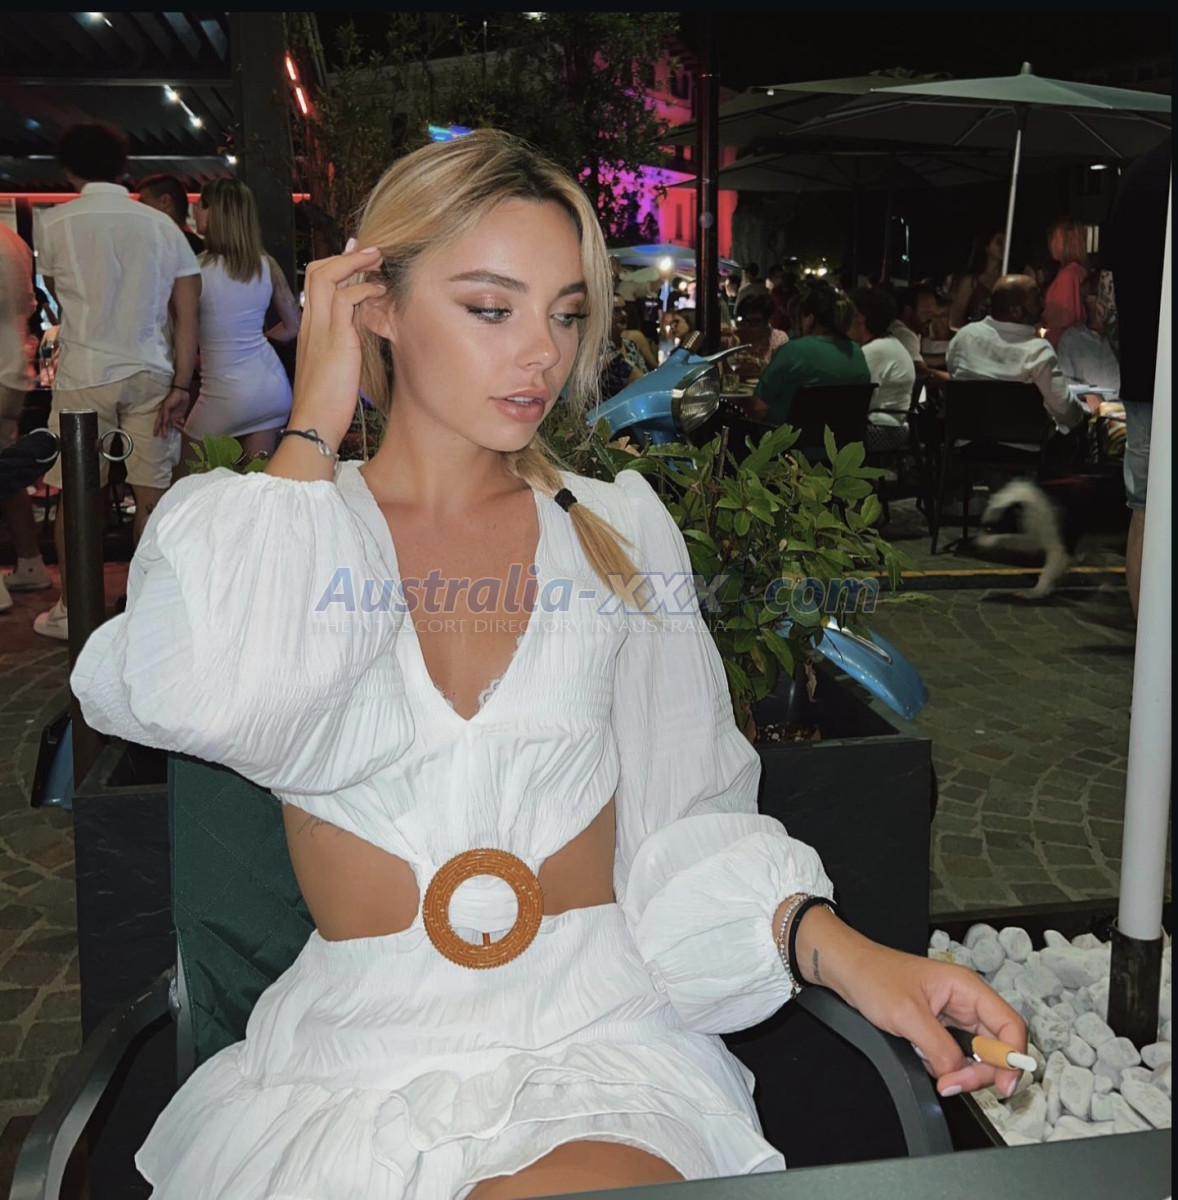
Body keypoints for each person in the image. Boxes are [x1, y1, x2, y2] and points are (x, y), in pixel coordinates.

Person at [71, 130, 1024, 1199]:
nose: (542, 353)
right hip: (355, 1062)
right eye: (492, 308)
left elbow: (683, 809)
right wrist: (313, 424)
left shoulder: (615, 531)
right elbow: (225, 697)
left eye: (565, 314)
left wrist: (844, 950)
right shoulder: (274, 534)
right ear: (374, 304)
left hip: (591, 1044)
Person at [31, 122, 200, 641]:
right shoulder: (161, 226)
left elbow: (59, 294)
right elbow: (188, 311)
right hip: (152, 371)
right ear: (122, 166)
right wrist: (183, 385)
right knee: (153, 491)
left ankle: (73, 609)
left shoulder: (54, 223)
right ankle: (151, 610)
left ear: (68, 170)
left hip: (84, 374)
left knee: (79, 492)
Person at [181, 178, 302, 461]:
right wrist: (256, 342)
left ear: (216, 213)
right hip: (270, 391)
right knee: (255, 482)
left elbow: (180, 333)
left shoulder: (195, 269)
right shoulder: (266, 264)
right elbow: (294, 325)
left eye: (200, 205)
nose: (195, 210)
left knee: (183, 476)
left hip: (223, 394)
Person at [1103, 138, 1170, 618]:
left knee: (1144, 506)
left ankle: (1146, 641)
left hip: (1144, 376)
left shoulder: (1139, 174)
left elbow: (1108, 298)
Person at [945, 274, 1095, 433]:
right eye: (1037, 299)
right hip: (1026, 446)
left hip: (967, 442)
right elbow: (1066, 412)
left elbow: (954, 376)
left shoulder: (964, 338)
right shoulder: (1038, 351)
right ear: (1015, 311)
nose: (1043, 303)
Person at [0, 223, 51, 613]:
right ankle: (31, 562)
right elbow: (30, 304)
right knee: (5, 471)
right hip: (13, 367)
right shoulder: (13, 241)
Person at [746, 282, 870, 427]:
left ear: (809, 318)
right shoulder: (856, 351)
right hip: (841, 440)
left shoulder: (793, 350)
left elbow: (758, 408)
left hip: (786, 438)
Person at [849, 287, 917, 452]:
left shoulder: (876, 350)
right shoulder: (889, 343)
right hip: (893, 425)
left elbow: (857, 399)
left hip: (882, 429)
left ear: (859, 318)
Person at [1040, 217, 1089, 349]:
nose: (1052, 244)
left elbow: (1062, 326)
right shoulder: (1078, 271)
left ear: (1070, 241)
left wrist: (1040, 333)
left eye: (1057, 239)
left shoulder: (1068, 276)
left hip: (1061, 349)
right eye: (1051, 239)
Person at [947, 227, 1005, 331]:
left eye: (1006, 242)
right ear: (986, 246)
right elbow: (955, 321)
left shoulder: (1007, 279)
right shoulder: (971, 281)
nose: (1004, 247)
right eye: (999, 243)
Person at [138, 173, 204, 254]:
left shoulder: (164, 249)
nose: (139, 209)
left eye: (143, 203)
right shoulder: (201, 250)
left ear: (165, 202)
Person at [731, 292, 788, 380]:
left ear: (766, 322)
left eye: (754, 321)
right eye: (743, 320)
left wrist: (759, 365)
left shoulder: (777, 338)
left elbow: (783, 371)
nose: (747, 326)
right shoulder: (733, 338)